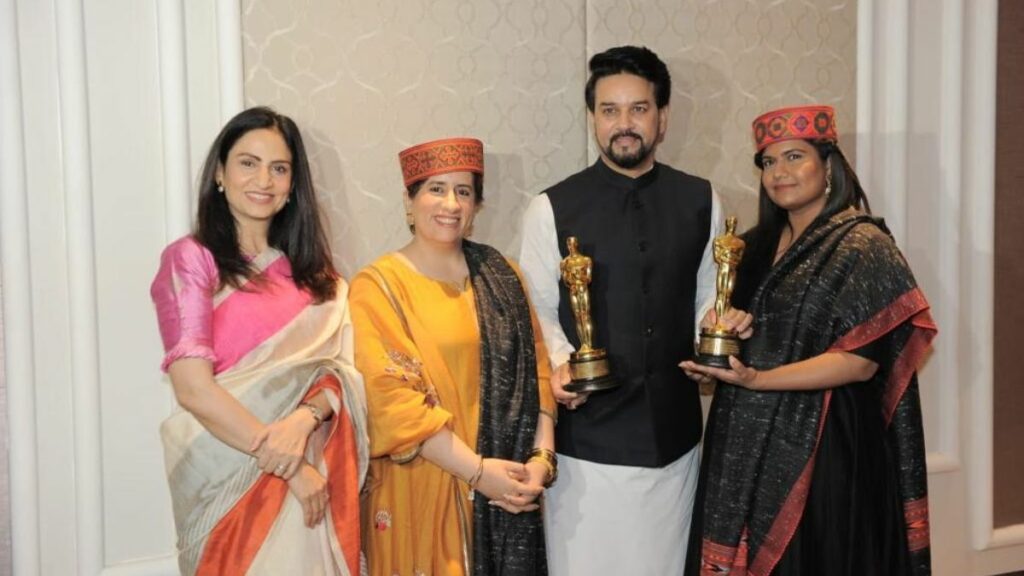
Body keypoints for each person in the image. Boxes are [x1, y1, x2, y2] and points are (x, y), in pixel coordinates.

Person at [681, 105, 936, 575]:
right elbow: (763, 332)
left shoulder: (863, 245)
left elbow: (860, 362)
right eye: (768, 162)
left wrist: (760, 379)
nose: (780, 173)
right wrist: (733, 328)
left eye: (794, 157)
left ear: (829, 165)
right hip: (745, 436)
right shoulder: (754, 247)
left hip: (826, 445)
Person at [518, 45, 723, 575]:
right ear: (592, 119)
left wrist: (719, 333)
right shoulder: (551, 207)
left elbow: (708, 295)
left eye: (638, 109)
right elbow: (536, 309)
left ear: (663, 118)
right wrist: (563, 365)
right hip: (588, 446)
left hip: (676, 444)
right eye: (609, 110)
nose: (624, 124)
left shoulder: (703, 200)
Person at [151, 106, 368, 576]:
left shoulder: (320, 281)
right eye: (248, 162)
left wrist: (304, 419)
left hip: (311, 463)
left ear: (293, 186)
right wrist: (288, 466)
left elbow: (345, 374)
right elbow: (193, 389)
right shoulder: (190, 261)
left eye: (279, 168)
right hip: (226, 473)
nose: (264, 180)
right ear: (220, 174)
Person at [349, 137, 557, 575]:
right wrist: (480, 473)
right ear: (410, 200)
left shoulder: (501, 275)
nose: (451, 203)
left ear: (476, 206)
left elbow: (536, 373)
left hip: (510, 485)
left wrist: (541, 460)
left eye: (463, 191)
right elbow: (394, 406)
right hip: (421, 490)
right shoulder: (378, 286)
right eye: (435, 189)